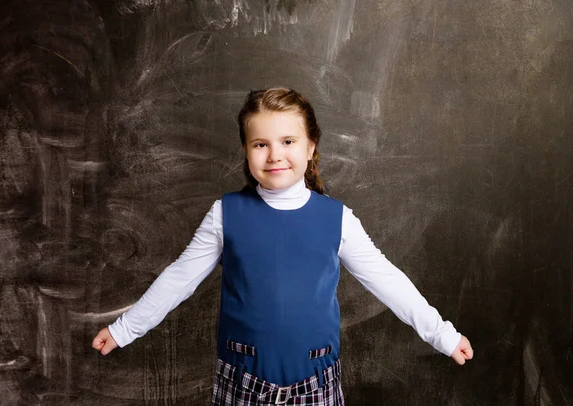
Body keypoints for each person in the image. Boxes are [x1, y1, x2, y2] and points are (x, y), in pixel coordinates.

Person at [92, 87, 474, 405]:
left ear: (310, 148)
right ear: (246, 151)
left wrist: (442, 334)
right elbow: (179, 278)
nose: (274, 154)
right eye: (261, 143)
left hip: (317, 385)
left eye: (288, 141)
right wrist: (125, 329)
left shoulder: (337, 218)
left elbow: (385, 280)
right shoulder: (225, 214)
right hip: (242, 384)